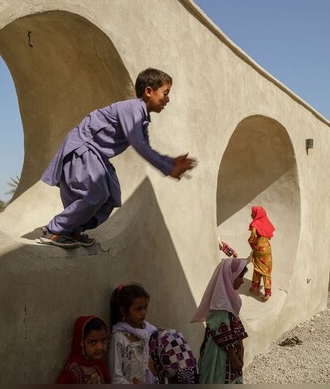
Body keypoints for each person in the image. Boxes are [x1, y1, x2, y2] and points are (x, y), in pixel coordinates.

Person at [39, 68, 197, 248]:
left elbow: (145, 146)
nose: (167, 100)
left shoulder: (141, 118)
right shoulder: (133, 109)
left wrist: (171, 162)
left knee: (110, 197)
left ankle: (73, 229)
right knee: (94, 194)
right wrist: (169, 168)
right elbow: (139, 145)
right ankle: (56, 229)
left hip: (97, 155)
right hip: (84, 147)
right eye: (165, 93)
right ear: (148, 91)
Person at [191, 257, 249, 384]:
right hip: (219, 353)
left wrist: (241, 348)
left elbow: (235, 323)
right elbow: (220, 330)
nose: (242, 281)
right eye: (240, 277)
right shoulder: (220, 302)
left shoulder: (230, 298)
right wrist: (233, 358)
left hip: (231, 350)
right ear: (230, 276)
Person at [108, 283, 156, 384]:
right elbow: (116, 377)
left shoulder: (150, 333)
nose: (144, 312)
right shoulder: (119, 338)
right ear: (123, 310)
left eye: (145, 307)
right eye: (138, 309)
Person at [56, 316, 110, 384]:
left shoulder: (100, 365)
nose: (100, 347)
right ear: (81, 343)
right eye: (93, 342)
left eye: (103, 340)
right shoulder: (71, 373)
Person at [248, 205, 275, 302]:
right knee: (267, 270)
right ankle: (267, 293)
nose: (251, 214)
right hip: (267, 248)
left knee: (257, 267)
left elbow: (252, 238)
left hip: (259, 249)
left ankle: (255, 288)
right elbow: (270, 235)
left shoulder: (255, 224)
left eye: (252, 213)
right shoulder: (265, 221)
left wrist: (252, 246)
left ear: (256, 213)